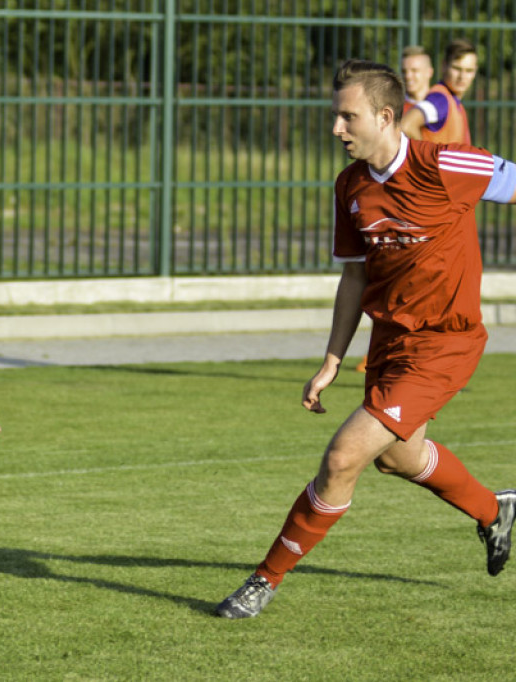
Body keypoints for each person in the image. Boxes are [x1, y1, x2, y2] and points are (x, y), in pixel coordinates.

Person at [216, 59, 516, 619]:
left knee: (344, 456)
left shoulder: (446, 164)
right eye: (335, 116)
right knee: (397, 458)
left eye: (347, 117)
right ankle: (493, 509)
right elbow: (353, 275)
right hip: (389, 343)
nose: (336, 128)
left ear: (385, 116)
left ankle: (263, 581)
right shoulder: (350, 186)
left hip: (445, 343)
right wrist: (333, 359)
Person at [401, 38, 478, 144]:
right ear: (444, 66)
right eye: (456, 68)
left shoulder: (454, 102)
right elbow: (407, 125)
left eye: (469, 71)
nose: (462, 76)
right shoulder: (440, 99)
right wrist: (427, 158)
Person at [400, 45, 434, 113]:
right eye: (404, 71)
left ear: (429, 72)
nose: (407, 76)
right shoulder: (395, 109)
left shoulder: (441, 105)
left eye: (414, 70)